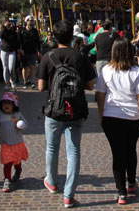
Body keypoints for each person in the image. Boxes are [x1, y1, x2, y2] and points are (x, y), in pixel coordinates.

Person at [37, 20, 96, 208]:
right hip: (76, 110)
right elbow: (91, 84)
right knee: (74, 150)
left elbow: (40, 87)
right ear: (72, 37)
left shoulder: (48, 56)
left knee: (52, 147)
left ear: (54, 37)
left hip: (54, 109)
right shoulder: (80, 57)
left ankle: (52, 182)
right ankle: (69, 194)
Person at [96, 37, 139, 205]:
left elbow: (100, 96)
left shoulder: (106, 70)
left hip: (111, 117)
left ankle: (121, 193)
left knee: (117, 154)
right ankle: (131, 182)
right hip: (133, 118)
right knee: (130, 149)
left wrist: (100, 116)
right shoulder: (137, 72)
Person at [0, 92, 29, 193]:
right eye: (4, 103)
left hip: (17, 142)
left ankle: (18, 170)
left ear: (14, 105)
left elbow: (25, 124)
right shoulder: (0, 116)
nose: (6, 105)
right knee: (7, 162)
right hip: (6, 143)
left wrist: (21, 127)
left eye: (9, 103)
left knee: (17, 160)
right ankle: (7, 179)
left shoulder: (18, 115)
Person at [18, 15, 41, 89]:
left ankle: (32, 82)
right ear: (26, 21)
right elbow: (19, 41)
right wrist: (20, 49)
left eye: (32, 20)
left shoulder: (35, 31)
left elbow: (38, 42)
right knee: (25, 67)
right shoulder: (21, 30)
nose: (31, 22)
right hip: (24, 51)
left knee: (33, 66)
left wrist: (39, 51)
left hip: (33, 51)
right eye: (30, 20)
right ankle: (25, 82)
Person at [0, 19, 19, 89]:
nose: (9, 25)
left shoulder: (13, 31)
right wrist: (5, 27)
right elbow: (0, 35)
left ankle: (12, 80)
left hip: (12, 51)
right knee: (5, 68)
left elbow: (16, 41)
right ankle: (7, 83)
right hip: (4, 50)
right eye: (7, 24)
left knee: (11, 68)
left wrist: (18, 51)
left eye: (9, 24)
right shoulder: (3, 31)